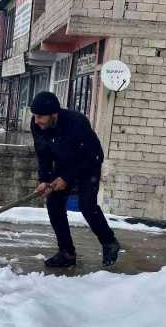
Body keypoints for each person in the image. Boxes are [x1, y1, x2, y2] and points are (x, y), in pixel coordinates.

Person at [30, 91, 120, 268]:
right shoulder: (38, 126)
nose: (36, 121)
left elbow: (90, 155)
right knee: (54, 204)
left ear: (53, 114)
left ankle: (109, 242)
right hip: (63, 165)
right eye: (35, 116)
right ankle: (66, 253)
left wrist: (68, 178)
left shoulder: (76, 123)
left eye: (41, 116)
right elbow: (43, 154)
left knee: (86, 206)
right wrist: (44, 179)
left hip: (88, 163)